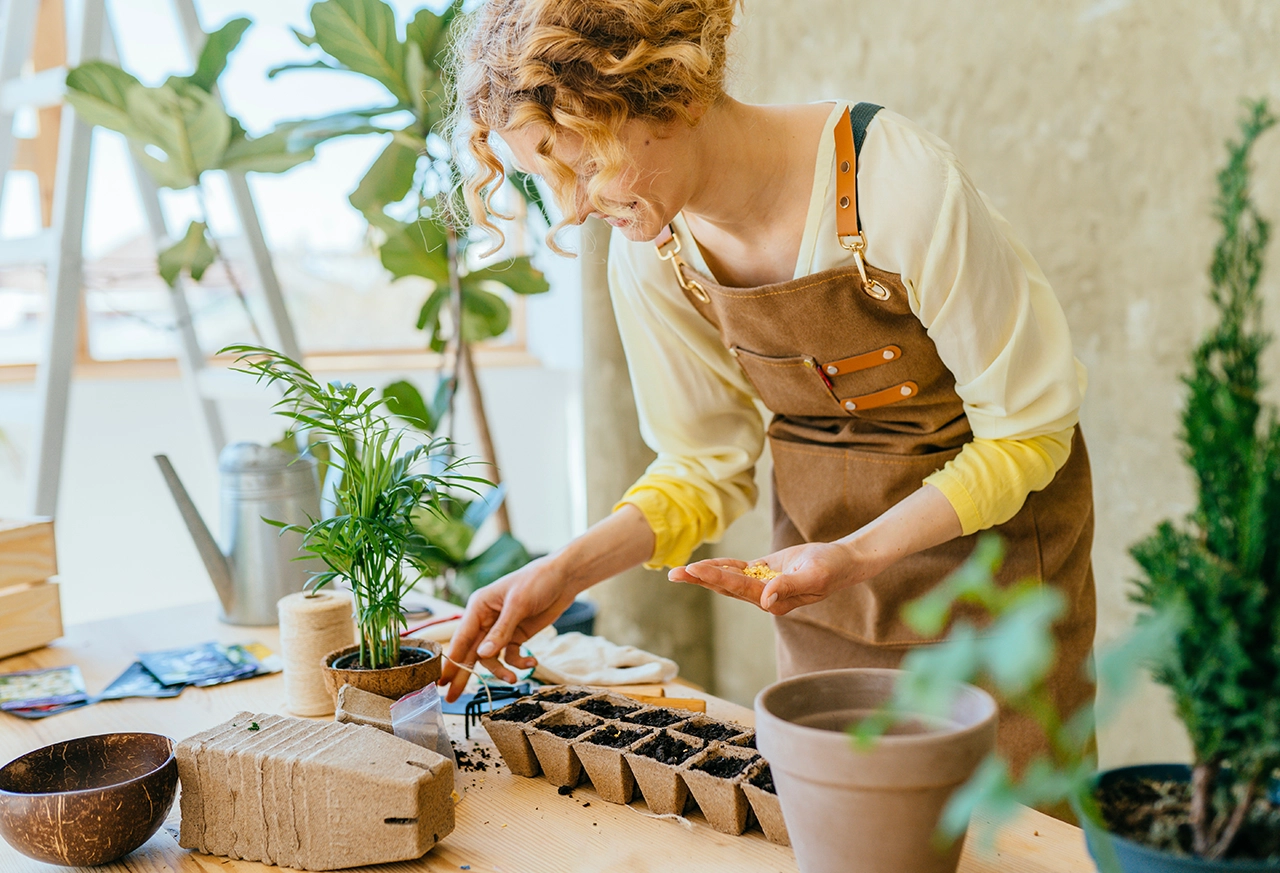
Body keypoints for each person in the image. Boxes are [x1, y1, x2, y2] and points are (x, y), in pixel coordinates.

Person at [438, 0, 1095, 769]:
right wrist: (564, 569)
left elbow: (1028, 431)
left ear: (667, 92)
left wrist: (857, 553)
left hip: (998, 580)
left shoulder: (894, 186)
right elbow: (702, 465)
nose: (574, 208)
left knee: (1004, 838)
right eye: (546, 179)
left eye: (583, 164)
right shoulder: (654, 254)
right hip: (825, 593)